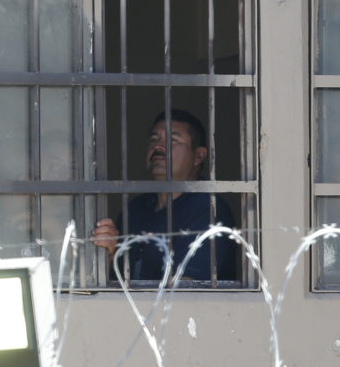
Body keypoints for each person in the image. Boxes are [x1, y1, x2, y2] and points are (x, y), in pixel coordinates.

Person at [92, 109, 236, 282]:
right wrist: (106, 254)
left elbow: (187, 293)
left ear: (198, 156)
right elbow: (114, 282)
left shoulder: (209, 208)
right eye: (154, 139)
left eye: (173, 140)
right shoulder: (135, 209)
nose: (158, 146)